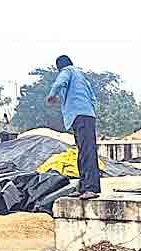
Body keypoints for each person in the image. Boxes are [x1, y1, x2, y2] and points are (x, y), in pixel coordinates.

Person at [46, 55, 100, 199]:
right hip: (86, 116)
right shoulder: (81, 77)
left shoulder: (67, 71)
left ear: (59, 67)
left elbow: (59, 83)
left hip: (80, 116)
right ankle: (84, 187)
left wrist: (52, 96)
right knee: (84, 151)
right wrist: (89, 111)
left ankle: (91, 188)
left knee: (86, 152)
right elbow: (93, 99)